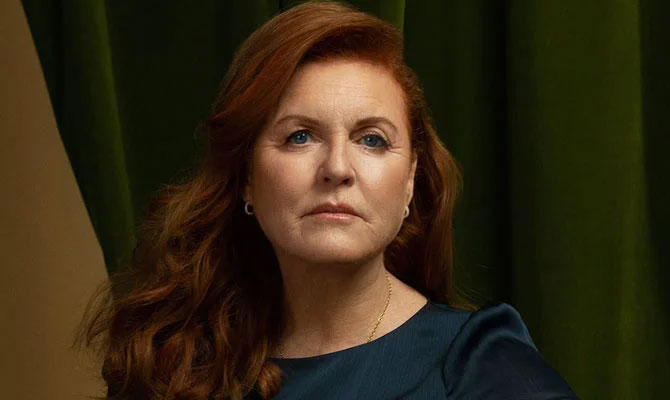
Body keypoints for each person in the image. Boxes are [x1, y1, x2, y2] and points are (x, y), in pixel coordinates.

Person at [75, 1, 578, 399]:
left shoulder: (474, 361)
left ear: (409, 182)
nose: (337, 167)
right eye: (300, 136)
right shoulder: (178, 360)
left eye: (372, 140)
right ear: (246, 178)